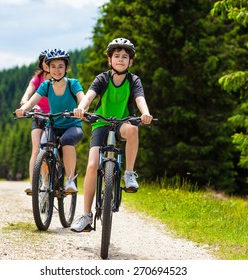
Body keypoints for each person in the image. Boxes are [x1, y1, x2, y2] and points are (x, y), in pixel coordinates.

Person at [71, 38, 153, 232]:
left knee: (133, 129)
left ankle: (129, 173)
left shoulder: (133, 80)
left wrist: (145, 113)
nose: (121, 60)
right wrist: (81, 108)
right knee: (92, 166)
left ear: (130, 62)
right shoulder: (102, 78)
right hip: (101, 122)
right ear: (109, 60)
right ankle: (86, 216)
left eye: (125, 57)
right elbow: (89, 96)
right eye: (116, 56)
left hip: (122, 123)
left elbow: (139, 99)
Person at [16, 48, 84, 193]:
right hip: (53, 125)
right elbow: (32, 101)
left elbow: (82, 99)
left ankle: (70, 180)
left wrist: (81, 109)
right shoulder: (46, 85)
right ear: (48, 68)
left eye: (60, 66)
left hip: (72, 126)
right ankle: (46, 182)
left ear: (66, 67)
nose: (57, 70)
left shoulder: (73, 84)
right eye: (53, 66)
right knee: (43, 147)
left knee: (67, 140)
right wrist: (24, 109)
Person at [20, 49, 51, 195]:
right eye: (45, 61)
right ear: (41, 63)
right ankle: (34, 184)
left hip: (55, 117)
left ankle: (52, 177)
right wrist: (25, 100)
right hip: (38, 116)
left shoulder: (59, 77)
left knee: (51, 148)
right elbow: (29, 90)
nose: (47, 64)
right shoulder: (38, 78)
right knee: (36, 149)